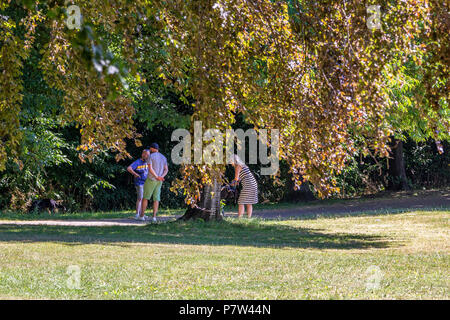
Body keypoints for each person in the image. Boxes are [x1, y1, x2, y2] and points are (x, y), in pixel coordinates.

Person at [142, 143, 168, 223]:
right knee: (156, 199)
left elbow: (150, 169)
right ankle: (154, 217)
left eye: (150, 148)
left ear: (153, 149)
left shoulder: (151, 156)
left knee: (145, 198)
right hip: (159, 181)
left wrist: (156, 176)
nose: (149, 150)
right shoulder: (163, 157)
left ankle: (142, 216)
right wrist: (161, 177)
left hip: (151, 179)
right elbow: (166, 169)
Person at [127, 149, 150, 221]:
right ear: (142, 154)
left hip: (146, 183)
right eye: (145, 154)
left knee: (144, 198)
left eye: (148, 155)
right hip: (139, 183)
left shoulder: (147, 162)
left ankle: (142, 213)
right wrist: (135, 174)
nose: (147, 156)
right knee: (140, 198)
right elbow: (129, 168)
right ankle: (137, 214)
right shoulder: (138, 162)